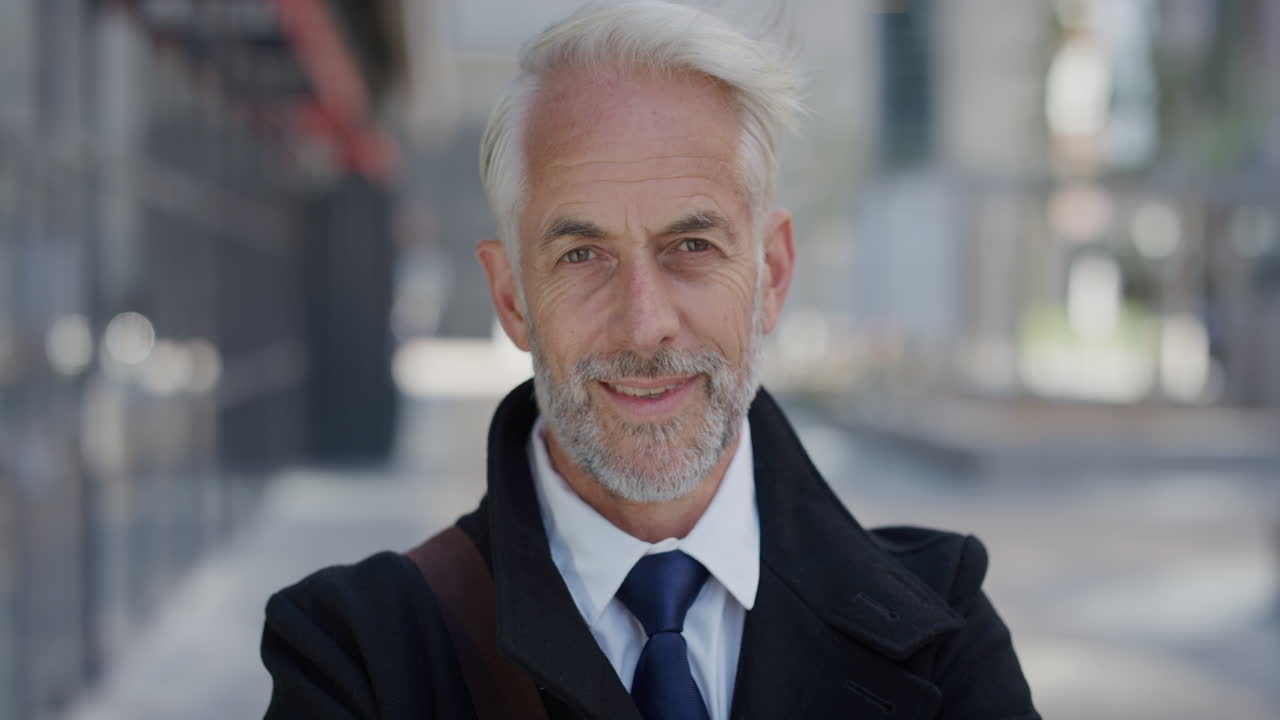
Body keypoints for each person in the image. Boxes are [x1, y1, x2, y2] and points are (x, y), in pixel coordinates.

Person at [259, 2, 1040, 718]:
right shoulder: (354, 659)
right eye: (583, 254)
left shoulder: (947, 629)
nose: (645, 324)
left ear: (770, 274)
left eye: (691, 247)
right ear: (511, 297)